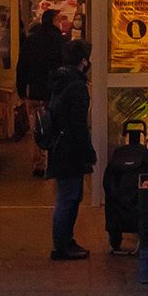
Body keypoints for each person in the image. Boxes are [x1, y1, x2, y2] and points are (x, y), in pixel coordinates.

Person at [44, 39, 95, 260]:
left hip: (59, 145)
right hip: (70, 149)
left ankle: (65, 240)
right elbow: (78, 124)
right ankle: (62, 246)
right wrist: (88, 151)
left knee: (69, 196)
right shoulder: (76, 86)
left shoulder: (61, 80)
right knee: (68, 198)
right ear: (83, 60)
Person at [16, 10, 67, 176]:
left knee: (38, 129)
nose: (61, 22)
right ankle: (54, 163)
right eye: (59, 19)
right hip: (55, 93)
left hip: (35, 93)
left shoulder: (30, 41)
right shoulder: (60, 41)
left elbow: (21, 67)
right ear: (52, 20)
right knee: (57, 127)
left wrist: (21, 89)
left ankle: (38, 165)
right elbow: (65, 67)